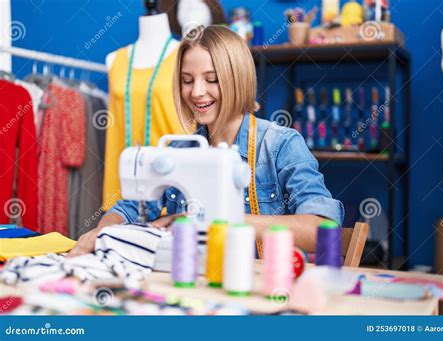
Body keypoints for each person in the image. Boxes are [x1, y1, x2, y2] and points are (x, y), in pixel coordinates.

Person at [68, 25, 344, 257]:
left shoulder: (279, 145)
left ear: (238, 78)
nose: (197, 92)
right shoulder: (181, 151)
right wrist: (101, 232)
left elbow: (322, 232)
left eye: (211, 79)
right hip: (194, 285)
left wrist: (215, 220)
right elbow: (130, 208)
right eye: (187, 80)